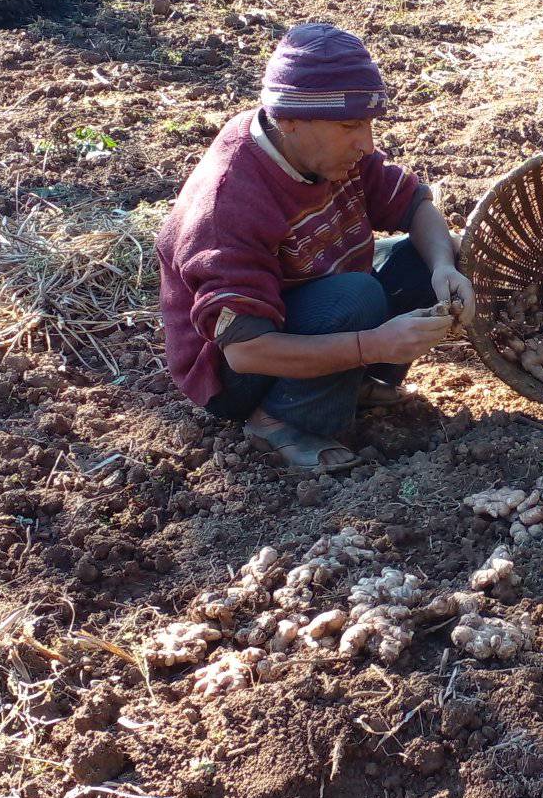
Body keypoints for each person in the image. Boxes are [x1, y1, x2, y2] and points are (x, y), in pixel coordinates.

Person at [157, 23, 475, 473]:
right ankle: (278, 420)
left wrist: (444, 265)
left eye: (367, 124)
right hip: (237, 370)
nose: (366, 143)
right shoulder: (230, 203)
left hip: (308, 294)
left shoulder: (330, 153)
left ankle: (348, 381)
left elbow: (413, 204)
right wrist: (373, 345)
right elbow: (245, 352)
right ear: (288, 119)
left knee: (425, 258)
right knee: (356, 296)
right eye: (350, 126)